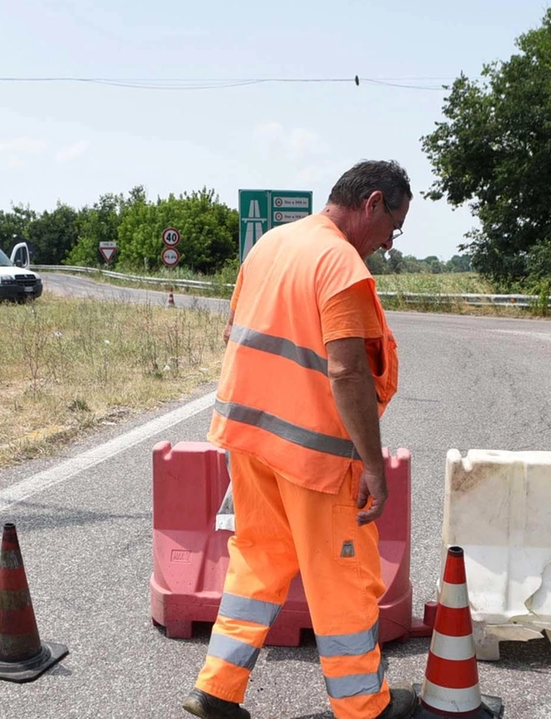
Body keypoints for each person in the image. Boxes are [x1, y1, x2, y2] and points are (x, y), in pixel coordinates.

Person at [182, 160, 415, 719]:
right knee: (342, 579)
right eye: (393, 227)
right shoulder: (340, 264)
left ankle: (216, 689)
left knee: (257, 563)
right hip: (313, 456)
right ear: (373, 203)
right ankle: (364, 706)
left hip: (251, 441)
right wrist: (373, 467)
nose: (387, 243)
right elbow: (347, 371)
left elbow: (234, 328)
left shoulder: (271, 245)